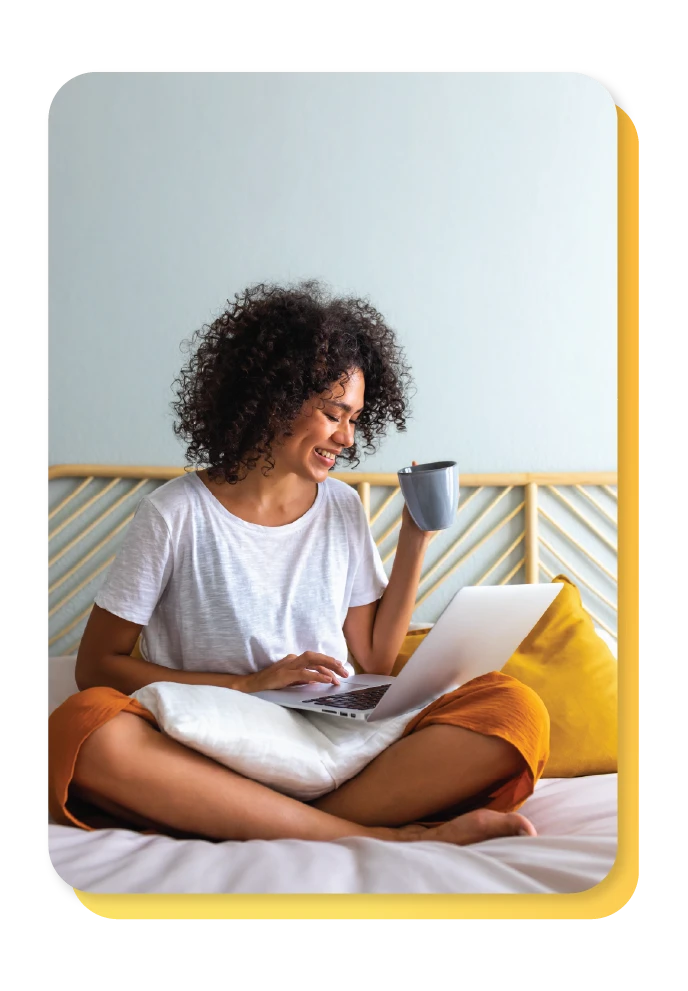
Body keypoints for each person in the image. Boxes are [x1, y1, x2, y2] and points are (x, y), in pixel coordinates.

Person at [48, 280, 549, 847]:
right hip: (213, 739)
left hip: (331, 733)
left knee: (513, 708)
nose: (347, 437)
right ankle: (382, 835)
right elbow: (97, 665)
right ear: (275, 399)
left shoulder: (342, 506)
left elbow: (376, 655)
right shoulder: (174, 515)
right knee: (83, 727)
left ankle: (278, 819)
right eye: (335, 413)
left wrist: (416, 537)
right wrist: (249, 683)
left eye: (356, 418)